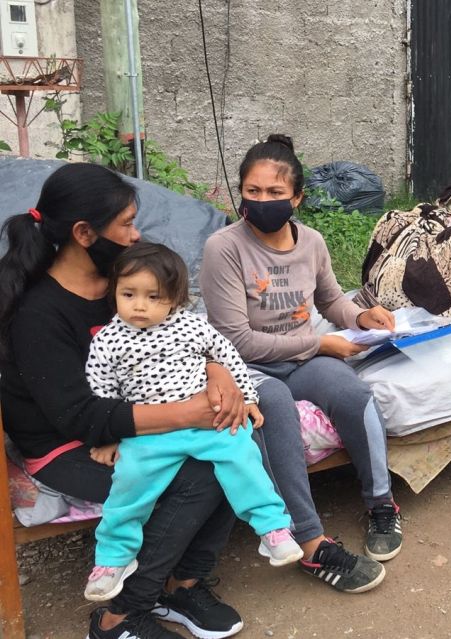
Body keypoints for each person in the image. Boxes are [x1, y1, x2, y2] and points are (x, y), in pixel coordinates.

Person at [0, 163, 248, 638]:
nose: (136, 235)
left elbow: (182, 329)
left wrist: (216, 369)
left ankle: (182, 585)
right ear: (84, 233)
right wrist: (188, 412)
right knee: (200, 474)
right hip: (66, 446)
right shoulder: (39, 314)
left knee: (236, 443)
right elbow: (79, 416)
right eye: (127, 224)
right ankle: (118, 615)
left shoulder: (125, 283)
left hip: (132, 422)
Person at [200, 134, 403, 594]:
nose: (262, 201)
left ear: (297, 197)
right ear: (240, 192)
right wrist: (318, 344)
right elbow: (236, 340)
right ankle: (308, 541)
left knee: (353, 393)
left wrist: (360, 317)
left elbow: (330, 299)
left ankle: (381, 504)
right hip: (246, 365)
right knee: (273, 405)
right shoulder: (224, 248)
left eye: (275, 192)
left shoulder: (310, 241)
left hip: (300, 356)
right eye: (252, 191)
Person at [83, 242, 304, 603]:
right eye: (128, 294)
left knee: (243, 455)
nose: (139, 306)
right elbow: (102, 392)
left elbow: (228, 357)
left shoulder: (192, 327)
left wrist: (248, 397)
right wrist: (107, 438)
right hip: (150, 434)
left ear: (175, 298)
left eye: (153, 297)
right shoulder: (108, 341)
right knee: (128, 486)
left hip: (205, 425)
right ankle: (112, 560)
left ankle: (272, 529)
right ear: (115, 292)